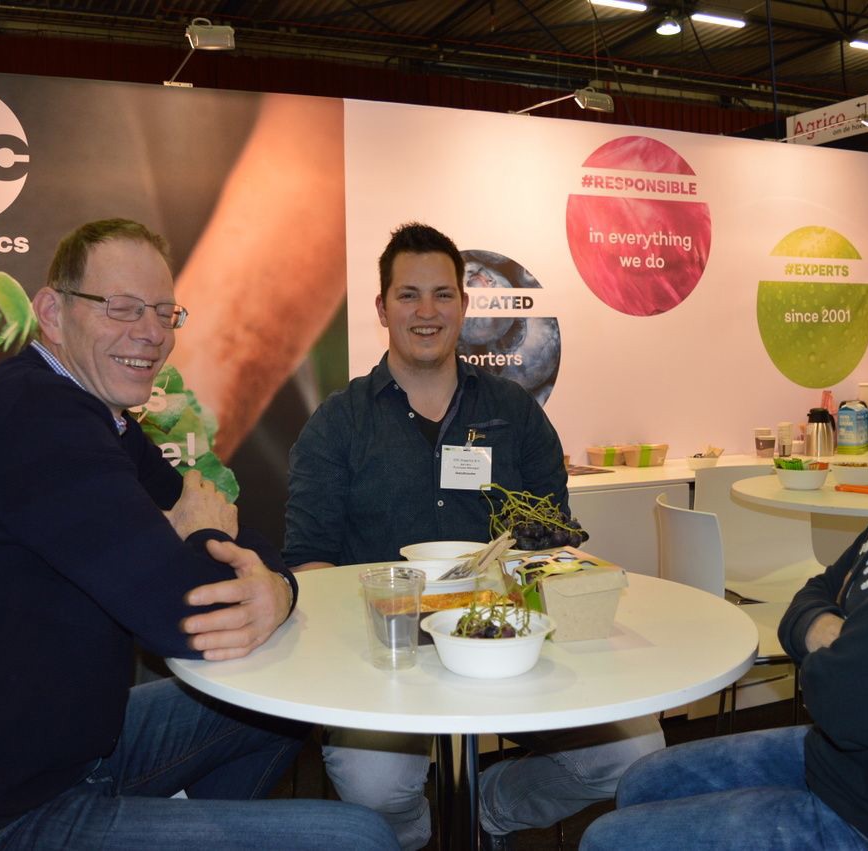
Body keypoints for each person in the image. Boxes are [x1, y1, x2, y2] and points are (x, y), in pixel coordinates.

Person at [0, 219, 397, 851]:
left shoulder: (96, 415)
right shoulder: (36, 420)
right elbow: (189, 618)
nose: (151, 333)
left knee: (285, 706)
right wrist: (203, 537)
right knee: (361, 838)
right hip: (3, 816)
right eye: (122, 308)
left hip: (78, 749)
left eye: (163, 312)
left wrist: (278, 589)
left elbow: (232, 527)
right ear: (52, 312)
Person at [582, 233, 868, 850]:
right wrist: (837, 636)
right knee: (643, 780)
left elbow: (845, 700)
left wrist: (840, 645)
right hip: (857, 768)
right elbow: (816, 595)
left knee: (608, 838)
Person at [284, 222, 664, 849]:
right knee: (376, 786)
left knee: (634, 755)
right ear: (382, 307)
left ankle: (488, 809)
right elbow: (309, 563)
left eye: (442, 294)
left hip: (507, 645)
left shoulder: (515, 413)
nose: (426, 312)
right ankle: (417, 837)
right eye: (408, 295)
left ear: (464, 304)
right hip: (389, 656)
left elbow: (551, 543)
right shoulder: (338, 424)